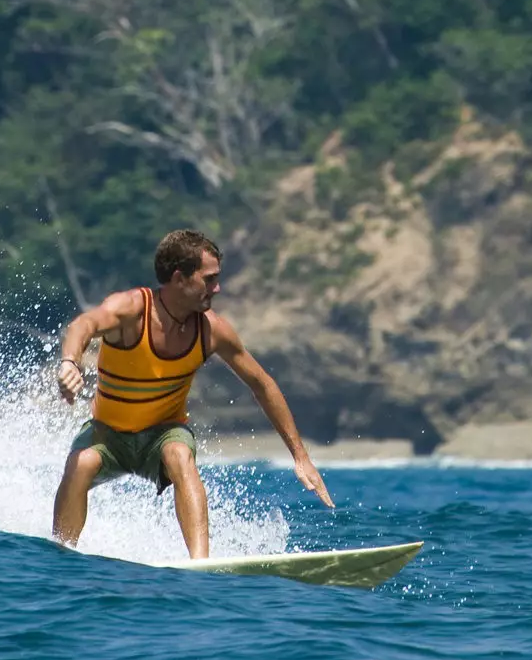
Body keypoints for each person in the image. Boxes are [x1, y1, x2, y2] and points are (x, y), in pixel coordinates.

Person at [50, 228, 334, 557]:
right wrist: (70, 362)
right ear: (179, 278)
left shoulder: (211, 330)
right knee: (81, 463)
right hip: (107, 433)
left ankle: (200, 564)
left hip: (163, 434)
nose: (217, 288)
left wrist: (300, 457)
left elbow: (262, 384)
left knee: (179, 455)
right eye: (209, 279)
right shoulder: (131, 311)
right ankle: (62, 555)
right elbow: (82, 325)